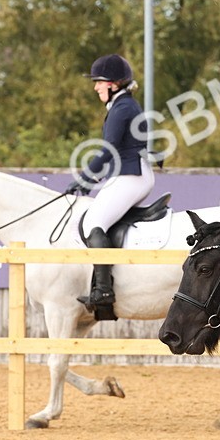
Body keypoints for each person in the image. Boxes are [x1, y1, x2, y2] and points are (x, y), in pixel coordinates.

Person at [69, 54, 154, 313]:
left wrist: (85, 176)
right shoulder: (122, 105)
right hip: (129, 173)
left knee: (94, 223)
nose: (95, 87)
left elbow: (108, 149)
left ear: (114, 84)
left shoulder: (123, 107)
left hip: (131, 176)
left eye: (99, 82)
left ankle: (104, 289)